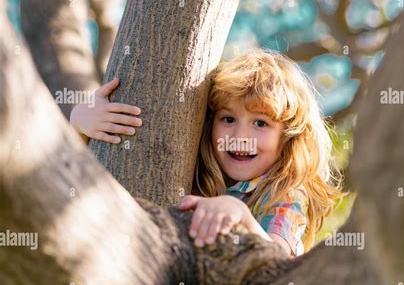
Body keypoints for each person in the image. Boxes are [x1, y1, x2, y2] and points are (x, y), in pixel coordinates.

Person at [70, 48, 344, 257]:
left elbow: (278, 262)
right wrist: (79, 126)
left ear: (288, 137)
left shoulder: (284, 192)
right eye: (228, 119)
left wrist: (240, 214)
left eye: (261, 123)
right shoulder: (197, 164)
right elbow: (90, 178)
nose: (240, 138)